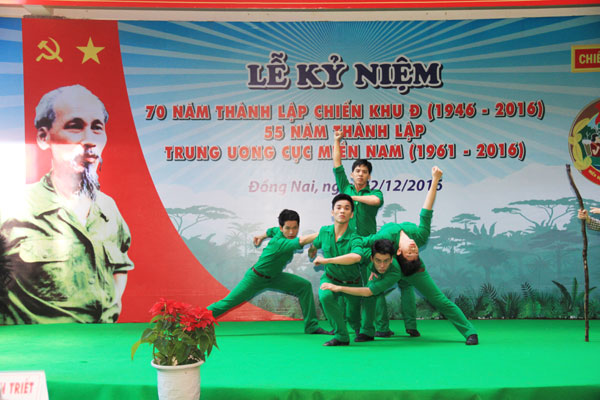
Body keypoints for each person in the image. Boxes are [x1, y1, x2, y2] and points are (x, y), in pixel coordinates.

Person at [0, 84, 133, 324]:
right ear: (43, 137)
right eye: (75, 126)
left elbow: (119, 267)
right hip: (36, 344)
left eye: (97, 127)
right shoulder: (11, 207)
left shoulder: (108, 208)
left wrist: (108, 313)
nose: (89, 139)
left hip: (101, 341)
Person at [326, 166, 478, 345]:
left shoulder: (387, 238)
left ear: (399, 252)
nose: (413, 249)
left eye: (411, 253)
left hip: (411, 270)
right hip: (391, 266)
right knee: (372, 291)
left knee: (439, 300)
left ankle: (469, 332)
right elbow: (427, 209)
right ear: (398, 252)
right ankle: (367, 331)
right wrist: (435, 180)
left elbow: (362, 240)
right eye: (414, 252)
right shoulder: (420, 236)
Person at [207, 209, 331, 335]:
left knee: (304, 286)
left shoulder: (278, 232)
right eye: (288, 228)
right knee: (227, 303)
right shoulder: (280, 242)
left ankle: (311, 327)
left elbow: (271, 231)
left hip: (275, 277)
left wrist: (262, 236)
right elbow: (301, 241)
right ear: (281, 228)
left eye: (295, 228)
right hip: (255, 278)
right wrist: (324, 232)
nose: (291, 232)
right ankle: (196, 320)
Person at [332, 130, 404, 338]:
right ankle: (347, 326)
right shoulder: (345, 186)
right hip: (347, 246)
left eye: (364, 171)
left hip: (368, 247)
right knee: (346, 286)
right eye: (357, 170)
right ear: (352, 174)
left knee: (373, 285)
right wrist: (336, 140)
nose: (360, 174)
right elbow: (337, 164)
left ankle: (381, 328)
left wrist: (351, 198)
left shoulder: (374, 193)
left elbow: (376, 201)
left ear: (369, 176)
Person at [308, 193, 364, 346]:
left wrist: (326, 260)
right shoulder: (324, 232)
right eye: (338, 207)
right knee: (325, 296)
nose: (342, 211)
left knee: (353, 315)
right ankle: (341, 335)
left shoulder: (355, 237)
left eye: (347, 208)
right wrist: (312, 251)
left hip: (352, 283)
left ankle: (357, 327)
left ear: (351, 214)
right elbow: (315, 244)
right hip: (330, 278)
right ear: (332, 212)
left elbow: (356, 257)